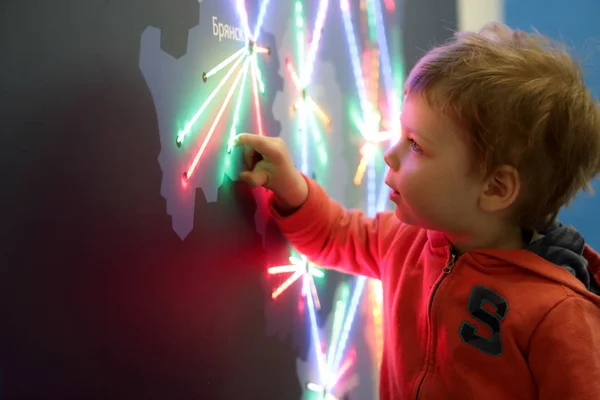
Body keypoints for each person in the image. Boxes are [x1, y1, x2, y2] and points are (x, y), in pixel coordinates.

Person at [234, 22, 600, 399]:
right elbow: (336, 234)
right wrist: (291, 187)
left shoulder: (559, 315)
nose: (390, 154)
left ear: (495, 188)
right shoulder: (405, 241)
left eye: (416, 145)